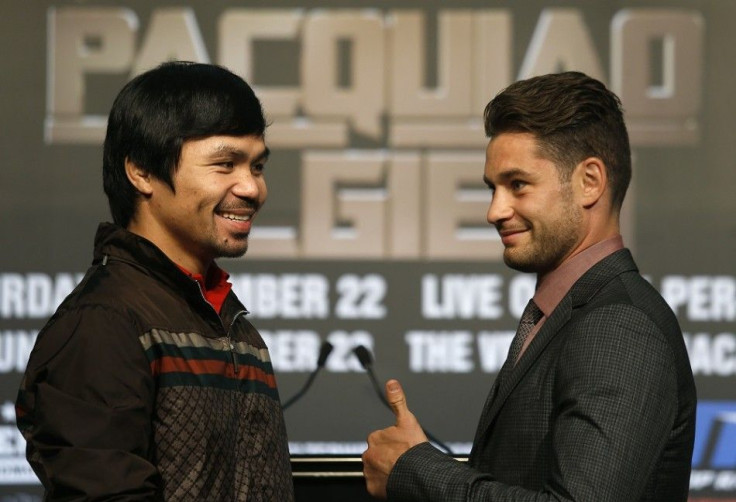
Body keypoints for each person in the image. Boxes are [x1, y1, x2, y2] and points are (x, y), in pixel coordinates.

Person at [362, 71, 697, 501]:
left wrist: (416, 469)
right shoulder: (570, 313)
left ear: (589, 182)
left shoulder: (617, 327)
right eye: (493, 188)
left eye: (517, 184)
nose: (495, 211)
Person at [16, 61, 295, 501]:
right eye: (225, 164)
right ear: (142, 172)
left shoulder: (230, 322)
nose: (252, 188)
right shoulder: (105, 323)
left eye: (257, 166)